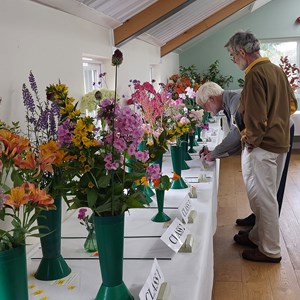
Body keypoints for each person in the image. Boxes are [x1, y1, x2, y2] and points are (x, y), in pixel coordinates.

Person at [224, 30, 296, 263]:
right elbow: (292, 104)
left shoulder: (254, 74)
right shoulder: (276, 69)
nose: (234, 60)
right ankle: (257, 236)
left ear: (241, 52)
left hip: (263, 146)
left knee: (264, 199)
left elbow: (255, 117)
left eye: (233, 56)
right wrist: (278, 120)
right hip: (280, 143)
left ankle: (271, 250)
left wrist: (250, 141)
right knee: (266, 196)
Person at [196, 82, 295, 234]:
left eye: (204, 106)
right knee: (261, 186)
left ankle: (265, 230)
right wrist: (215, 152)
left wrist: (214, 153)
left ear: (212, 99)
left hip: (281, 131)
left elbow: (236, 135)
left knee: (274, 184)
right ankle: (257, 220)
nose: (206, 110)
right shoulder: (228, 102)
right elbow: (240, 138)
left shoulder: (235, 100)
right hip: (270, 134)